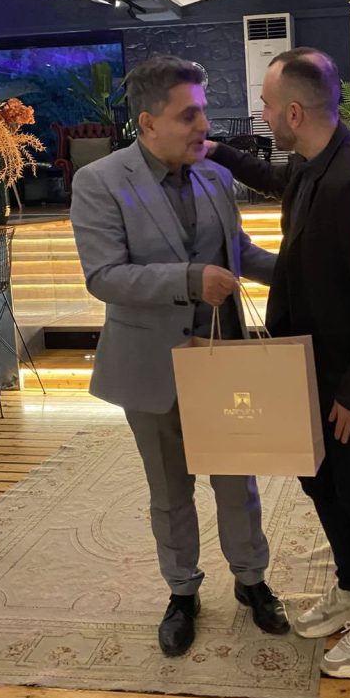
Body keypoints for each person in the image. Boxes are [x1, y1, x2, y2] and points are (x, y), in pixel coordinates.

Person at [70, 55, 289, 659]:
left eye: (202, 112)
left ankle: (251, 580)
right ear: (148, 122)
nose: (203, 126)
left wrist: (304, 270)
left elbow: (239, 252)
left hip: (222, 357)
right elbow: (104, 277)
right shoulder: (99, 182)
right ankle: (183, 591)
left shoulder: (214, 176)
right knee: (170, 489)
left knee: (237, 482)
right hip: (151, 364)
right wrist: (190, 279)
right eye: (188, 114)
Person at [207, 47, 350, 678]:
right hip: (306, 364)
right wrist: (216, 151)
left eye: (267, 105)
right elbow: (278, 180)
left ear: (294, 112)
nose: (263, 115)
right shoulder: (312, 159)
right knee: (319, 481)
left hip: (345, 378)